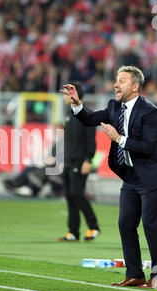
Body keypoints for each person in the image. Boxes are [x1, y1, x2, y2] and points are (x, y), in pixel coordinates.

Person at [61, 65, 157, 289]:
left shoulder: (150, 111)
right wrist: (76, 103)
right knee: (125, 223)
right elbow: (89, 119)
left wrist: (119, 139)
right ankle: (135, 275)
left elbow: (151, 147)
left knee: (151, 225)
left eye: (121, 81)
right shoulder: (114, 106)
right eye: (116, 80)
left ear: (135, 86)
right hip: (131, 177)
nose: (116, 84)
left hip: (153, 176)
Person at [57, 81, 100, 242]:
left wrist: (88, 160)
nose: (64, 97)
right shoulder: (69, 115)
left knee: (77, 194)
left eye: (67, 93)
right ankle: (73, 232)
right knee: (69, 195)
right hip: (68, 161)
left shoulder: (86, 115)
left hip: (80, 162)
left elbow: (91, 141)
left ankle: (94, 227)